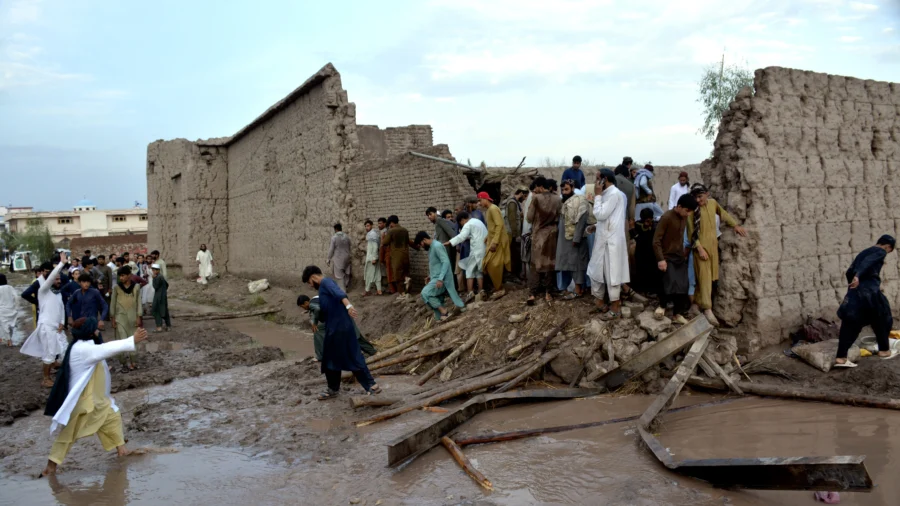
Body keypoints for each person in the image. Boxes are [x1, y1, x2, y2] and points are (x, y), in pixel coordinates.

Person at [40, 317, 147, 476]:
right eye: (96, 328)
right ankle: (51, 466)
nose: (99, 329)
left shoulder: (82, 345)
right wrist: (132, 340)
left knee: (113, 417)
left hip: (97, 399)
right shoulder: (83, 349)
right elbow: (107, 348)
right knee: (69, 434)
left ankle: (122, 450)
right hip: (84, 402)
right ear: (90, 332)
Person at [301, 265, 381, 400]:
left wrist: (349, 305)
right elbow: (326, 307)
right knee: (332, 358)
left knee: (350, 356)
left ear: (313, 277)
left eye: (309, 282)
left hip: (339, 329)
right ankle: (336, 388)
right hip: (337, 328)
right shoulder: (323, 288)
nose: (310, 286)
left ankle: (370, 385)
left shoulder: (326, 282)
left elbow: (339, 293)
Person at [686, 184, 747, 327]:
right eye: (695, 197)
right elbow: (691, 234)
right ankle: (707, 309)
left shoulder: (713, 203)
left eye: (700, 196)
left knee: (708, 278)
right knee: (705, 278)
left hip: (713, 248)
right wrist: (700, 249)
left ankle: (696, 305)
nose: (698, 200)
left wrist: (735, 225)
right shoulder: (692, 211)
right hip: (701, 250)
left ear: (707, 194)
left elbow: (723, 213)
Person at [834, 236, 899, 367]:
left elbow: (849, 272)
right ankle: (884, 350)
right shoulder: (880, 251)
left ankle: (841, 358)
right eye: (888, 251)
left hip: (856, 294)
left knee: (851, 323)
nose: (886, 254)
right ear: (887, 247)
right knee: (884, 317)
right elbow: (868, 263)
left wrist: (853, 285)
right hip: (870, 293)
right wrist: (858, 276)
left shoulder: (864, 252)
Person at [20, 252, 69, 387]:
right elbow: (50, 277)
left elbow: (61, 309)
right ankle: (46, 379)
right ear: (49, 281)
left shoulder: (57, 293)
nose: (59, 281)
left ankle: (54, 364)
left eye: (60, 279)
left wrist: (62, 323)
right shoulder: (43, 290)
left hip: (56, 327)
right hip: (47, 327)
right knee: (49, 353)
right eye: (56, 279)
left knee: (63, 349)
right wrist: (61, 264)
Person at [587, 169, 630, 320]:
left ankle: (615, 308)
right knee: (595, 271)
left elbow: (600, 214)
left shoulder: (614, 194)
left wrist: (597, 196)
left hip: (611, 242)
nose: (595, 182)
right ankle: (600, 302)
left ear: (605, 180)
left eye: (598, 178)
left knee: (613, 275)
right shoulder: (608, 195)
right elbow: (606, 219)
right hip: (603, 239)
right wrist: (596, 227)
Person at [654, 195, 699, 324]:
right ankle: (662, 306)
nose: (688, 214)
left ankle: (677, 313)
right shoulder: (667, 217)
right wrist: (661, 259)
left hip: (679, 256)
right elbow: (656, 240)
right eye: (687, 211)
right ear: (679, 207)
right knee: (668, 282)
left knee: (682, 285)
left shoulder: (684, 217)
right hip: (666, 257)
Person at [297, 294, 376, 362]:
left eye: (302, 306)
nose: (303, 308)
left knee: (317, 330)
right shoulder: (316, 298)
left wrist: (314, 322)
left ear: (306, 302)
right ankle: (372, 351)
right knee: (355, 336)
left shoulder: (312, 305)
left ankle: (321, 356)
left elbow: (317, 308)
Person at [415, 231, 465, 321]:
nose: (421, 246)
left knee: (425, 293)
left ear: (424, 240)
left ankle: (444, 311)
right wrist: (430, 276)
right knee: (435, 298)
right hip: (436, 278)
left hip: (442, 279)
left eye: (421, 244)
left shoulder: (437, 246)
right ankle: (444, 315)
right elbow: (436, 264)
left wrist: (440, 279)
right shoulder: (431, 248)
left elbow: (445, 262)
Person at [526, 177, 561, 305]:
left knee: (535, 264)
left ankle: (532, 294)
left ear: (540, 187)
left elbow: (529, 218)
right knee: (550, 264)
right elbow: (559, 215)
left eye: (536, 187)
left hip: (539, 235)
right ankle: (548, 293)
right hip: (552, 234)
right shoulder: (557, 199)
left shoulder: (536, 198)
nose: (535, 190)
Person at [556, 180, 591, 299]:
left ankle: (578, 290)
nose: (564, 192)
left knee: (578, 265)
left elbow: (582, 220)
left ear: (572, 188)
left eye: (566, 189)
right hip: (566, 239)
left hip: (576, 239)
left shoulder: (580, 200)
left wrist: (576, 238)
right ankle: (576, 288)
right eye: (562, 190)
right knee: (571, 264)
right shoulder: (565, 201)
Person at [447, 211, 488, 302]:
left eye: (460, 223)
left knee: (469, 271)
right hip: (484, 248)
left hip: (476, 249)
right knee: (478, 270)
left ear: (462, 220)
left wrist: (449, 242)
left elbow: (461, 236)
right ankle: (481, 291)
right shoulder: (478, 222)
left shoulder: (467, 224)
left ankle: (470, 292)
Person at [478, 191, 511, 295]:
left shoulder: (493, 209)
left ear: (485, 199)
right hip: (493, 240)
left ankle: (500, 288)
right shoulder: (489, 210)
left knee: (493, 265)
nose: (479, 203)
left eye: (480, 200)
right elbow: (492, 227)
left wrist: (495, 242)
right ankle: (498, 286)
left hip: (498, 241)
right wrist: (488, 237)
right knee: (489, 264)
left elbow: (499, 225)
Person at [110, 265, 141, 372]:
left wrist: (139, 316)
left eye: (123, 275)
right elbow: (113, 303)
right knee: (121, 341)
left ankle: (134, 362)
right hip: (120, 318)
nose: (121, 278)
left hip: (132, 318)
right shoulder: (116, 288)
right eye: (120, 276)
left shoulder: (136, 287)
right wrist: (112, 317)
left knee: (132, 340)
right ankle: (123, 363)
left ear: (129, 275)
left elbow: (139, 303)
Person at [631, 208, 664, 295]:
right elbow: (637, 237)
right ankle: (642, 290)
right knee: (641, 270)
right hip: (641, 252)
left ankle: (651, 290)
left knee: (652, 271)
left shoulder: (654, 225)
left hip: (651, 253)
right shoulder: (638, 225)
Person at [502, 186, 528, 281]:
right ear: (521, 193)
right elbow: (512, 220)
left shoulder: (515, 203)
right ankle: (512, 276)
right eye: (524, 196)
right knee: (514, 255)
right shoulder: (512, 203)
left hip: (514, 234)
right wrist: (516, 235)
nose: (524, 199)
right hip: (512, 235)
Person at [427, 207, 458, 284]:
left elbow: (452, 234)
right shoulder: (437, 222)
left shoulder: (440, 220)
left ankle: (451, 288)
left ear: (435, 213)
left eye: (430, 214)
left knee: (448, 268)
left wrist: (448, 243)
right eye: (428, 215)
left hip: (446, 249)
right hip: (442, 250)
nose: (429, 217)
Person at [383, 216, 411, 297]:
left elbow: (385, 242)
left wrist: (384, 236)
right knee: (406, 273)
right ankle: (407, 291)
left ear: (391, 223)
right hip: (405, 255)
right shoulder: (405, 230)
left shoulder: (391, 231)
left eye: (390, 224)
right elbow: (407, 241)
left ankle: (402, 293)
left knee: (398, 276)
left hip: (396, 256)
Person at [326, 224, 352, 291]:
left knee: (339, 275)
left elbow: (331, 249)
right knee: (346, 272)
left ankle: (342, 290)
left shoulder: (334, 237)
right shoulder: (347, 237)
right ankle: (346, 285)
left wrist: (328, 258)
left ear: (335, 229)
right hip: (347, 257)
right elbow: (349, 246)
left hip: (338, 258)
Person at [362, 220, 383, 296]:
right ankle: (379, 290)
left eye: (368, 225)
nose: (366, 227)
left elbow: (375, 247)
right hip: (373, 257)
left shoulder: (372, 235)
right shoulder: (372, 234)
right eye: (365, 226)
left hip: (372, 258)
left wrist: (374, 258)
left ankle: (367, 290)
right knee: (377, 274)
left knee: (368, 274)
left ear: (371, 225)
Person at [150, 264, 171, 332]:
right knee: (163, 311)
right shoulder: (161, 276)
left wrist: (153, 279)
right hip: (162, 296)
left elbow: (155, 286)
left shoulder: (158, 277)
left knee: (156, 310)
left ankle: (159, 327)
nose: (153, 271)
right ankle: (167, 326)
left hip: (159, 297)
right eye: (153, 270)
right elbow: (167, 285)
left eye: (154, 270)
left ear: (158, 270)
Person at [0, 274, 18, 346]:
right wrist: (16, 307)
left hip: (2, 310)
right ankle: (9, 339)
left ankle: (8, 340)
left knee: (4, 325)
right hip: (11, 309)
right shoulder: (10, 288)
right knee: (11, 325)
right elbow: (16, 297)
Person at [377, 218, 393, 293]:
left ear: (384, 223)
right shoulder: (382, 232)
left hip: (386, 253)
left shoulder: (386, 232)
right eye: (378, 223)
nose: (379, 225)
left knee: (388, 271)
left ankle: (390, 288)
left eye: (380, 223)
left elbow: (383, 244)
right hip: (384, 253)